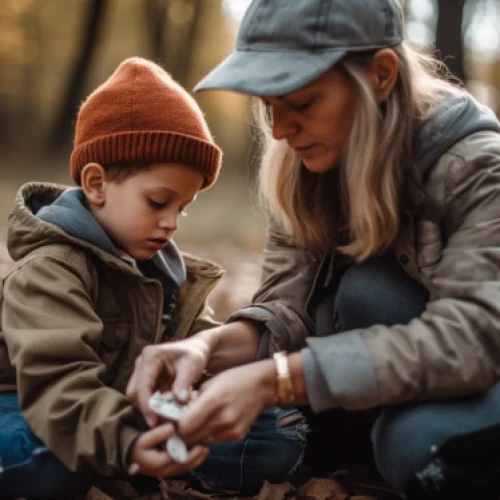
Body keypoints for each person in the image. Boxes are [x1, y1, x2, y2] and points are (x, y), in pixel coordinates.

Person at [126, 1, 500, 499]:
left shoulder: (477, 168)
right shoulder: (304, 166)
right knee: (362, 297)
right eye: (268, 106)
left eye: (301, 103)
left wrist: (275, 381)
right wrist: (206, 347)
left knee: (412, 443)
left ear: (381, 75)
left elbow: (474, 339)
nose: (279, 130)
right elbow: (288, 308)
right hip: (406, 372)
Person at [0, 57, 305, 500]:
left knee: (274, 437)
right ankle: (115, 458)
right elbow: (59, 387)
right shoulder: (51, 269)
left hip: (126, 413)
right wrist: (129, 443)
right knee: (39, 454)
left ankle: (123, 458)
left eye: (181, 208)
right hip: (36, 407)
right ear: (96, 183)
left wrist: (223, 393)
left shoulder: (164, 272)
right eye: (158, 202)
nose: (171, 223)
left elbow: (199, 350)